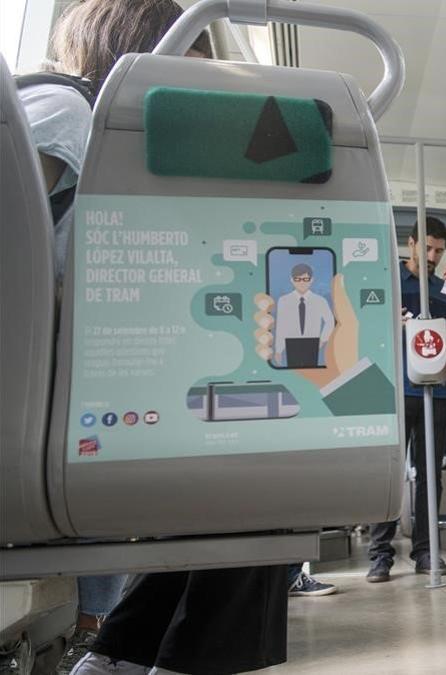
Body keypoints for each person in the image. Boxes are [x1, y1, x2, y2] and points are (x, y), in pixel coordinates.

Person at [31, 3, 289, 674]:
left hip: (56, 395)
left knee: (238, 461)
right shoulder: (66, 113)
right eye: (189, 65)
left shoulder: (80, 122)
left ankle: (118, 657)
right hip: (41, 412)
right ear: (145, 53)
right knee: (270, 472)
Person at [366, 217, 446, 581]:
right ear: (410, 244)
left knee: (429, 474)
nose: (432, 256)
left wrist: (433, 330)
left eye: (439, 250)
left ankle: (426, 551)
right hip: (395, 390)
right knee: (389, 475)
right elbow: (370, 328)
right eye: (426, 248)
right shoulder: (388, 281)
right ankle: (380, 554)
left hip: (435, 392)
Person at [272, 262, 334, 368]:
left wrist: (322, 340)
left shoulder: (320, 301)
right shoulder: (284, 300)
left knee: (312, 372)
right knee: (294, 373)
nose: (302, 283)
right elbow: (281, 326)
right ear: (292, 280)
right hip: (291, 342)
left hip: (313, 341)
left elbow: (330, 321)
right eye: (298, 279)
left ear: (311, 280)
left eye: (305, 279)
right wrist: (278, 350)